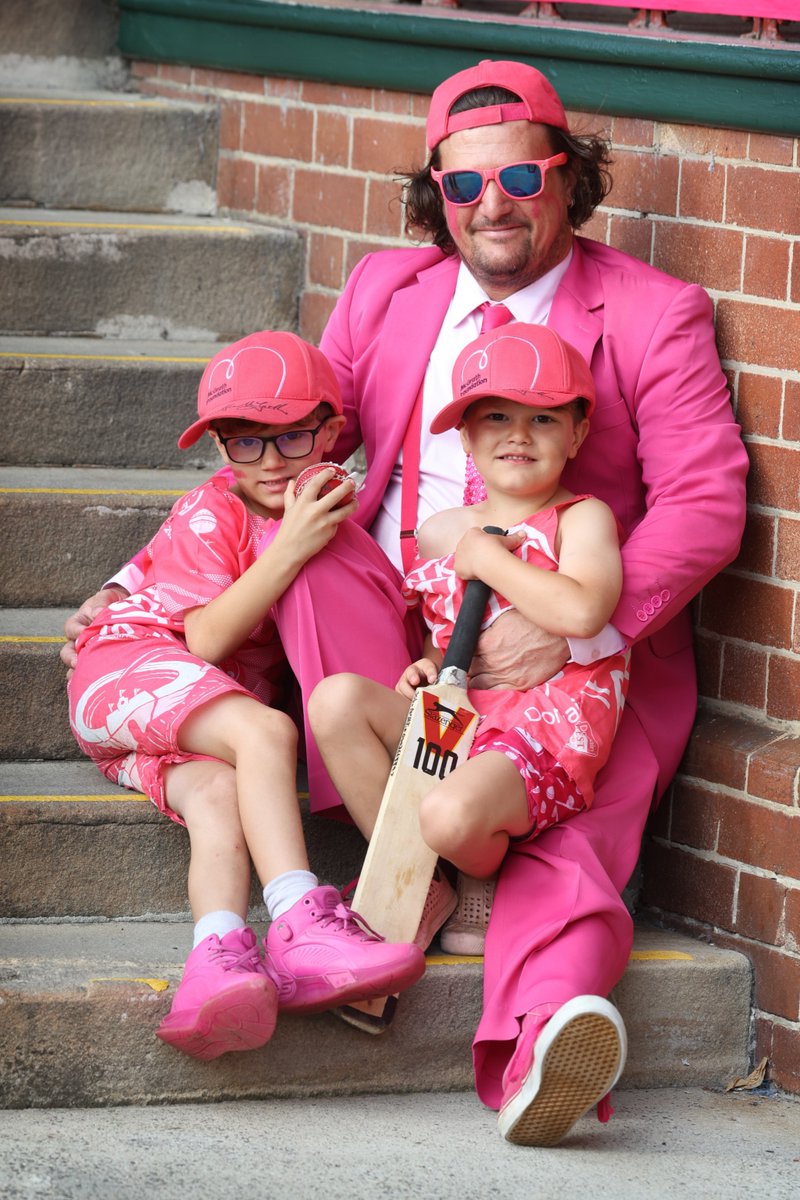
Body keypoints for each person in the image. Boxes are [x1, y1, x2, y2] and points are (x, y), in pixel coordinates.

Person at [62, 59, 749, 1144]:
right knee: (313, 537)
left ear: (566, 177)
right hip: (399, 627)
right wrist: (131, 587)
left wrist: (584, 623)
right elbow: (281, 459)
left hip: (564, 647)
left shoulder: (654, 311)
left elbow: (705, 504)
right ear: (435, 191)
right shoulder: (388, 287)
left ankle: (537, 1035)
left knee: (563, 831)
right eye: (465, 187)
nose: (494, 207)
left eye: (520, 178)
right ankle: (424, 852)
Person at [311, 321, 633, 1138]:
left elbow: (583, 608)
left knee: (448, 813)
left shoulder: (581, 518)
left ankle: (474, 875)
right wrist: (421, 665)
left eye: (543, 418)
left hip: (545, 727)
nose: (518, 435)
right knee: (337, 703)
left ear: (579, 430)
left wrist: (486, 558)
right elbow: (450, 633)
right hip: (468, 713)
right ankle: (430, 883)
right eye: (495, 416)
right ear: (463, 430)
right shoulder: (446, 525)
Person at [66, 330, 425, 1062]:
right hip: (129, 664)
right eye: (244, 443)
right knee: (264, 734)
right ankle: (298, 918)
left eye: (291, 438)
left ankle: (216, 965)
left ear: (331, 431)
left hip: (157, 727)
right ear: (220, 447)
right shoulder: (217, 509)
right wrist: (288, 545)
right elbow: (200, 640)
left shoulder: (324, 516)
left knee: (221, 800)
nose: (268, 463)